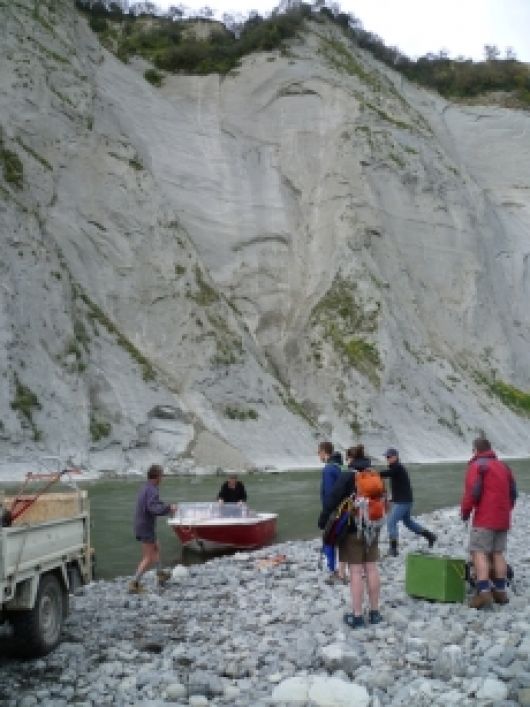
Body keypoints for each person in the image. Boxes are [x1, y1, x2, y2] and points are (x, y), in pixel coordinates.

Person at [319, 447, 382, 629]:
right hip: (373, 527)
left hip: (353, 529)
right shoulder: (374, 475)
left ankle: (357, 616)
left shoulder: (348, 476)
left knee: (355, 572)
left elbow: (331, 500)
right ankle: (375, 612)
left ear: (350, 458)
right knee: (371, 568)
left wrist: (323, 521)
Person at [461, 437, 517, 609]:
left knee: (479, 552)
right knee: (498, 553)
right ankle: (500, 591)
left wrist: (465, 512)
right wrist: (506, 510)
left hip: (485, 517)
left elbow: (472, 493)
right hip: (503, 517)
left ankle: (484, 592)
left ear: (475, 450)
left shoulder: (477, 466)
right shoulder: (504, 467)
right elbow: (513, 493)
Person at [129, 464, 176, 594]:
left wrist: (164, 506)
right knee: (148, 557)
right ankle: (134, 583)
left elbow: (152, 504)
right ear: (157, 477)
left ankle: (160, 573)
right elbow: (153, 508)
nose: (163, 478)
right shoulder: (153, 490)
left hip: (141, 524)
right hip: (145, 526)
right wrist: (168, 508)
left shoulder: (146, 487)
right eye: (162, 476)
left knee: (156, 546)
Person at [381, 448, 436, 556]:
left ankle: (393, 549)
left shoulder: (397, 467)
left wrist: (372, 473)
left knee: (391, 522)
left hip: (403, 501)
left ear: (395, 457)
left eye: (389, 457)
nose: (387, 459)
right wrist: (393, 498)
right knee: (408, 522)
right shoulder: (396, 468)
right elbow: (400, 486)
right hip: (404, 500)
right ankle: (430, 536)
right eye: (386, 457)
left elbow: (386, 474)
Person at [318, 441, 344, 581]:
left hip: (334, 511)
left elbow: (329, 494)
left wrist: (324, 515)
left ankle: (333, 570)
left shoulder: (328, 469)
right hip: (345, 510)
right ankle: (343, 569)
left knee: (328, 540)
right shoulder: (341, 466)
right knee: (341, 540)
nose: (318, 456)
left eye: (318, 453)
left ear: (323, 452)